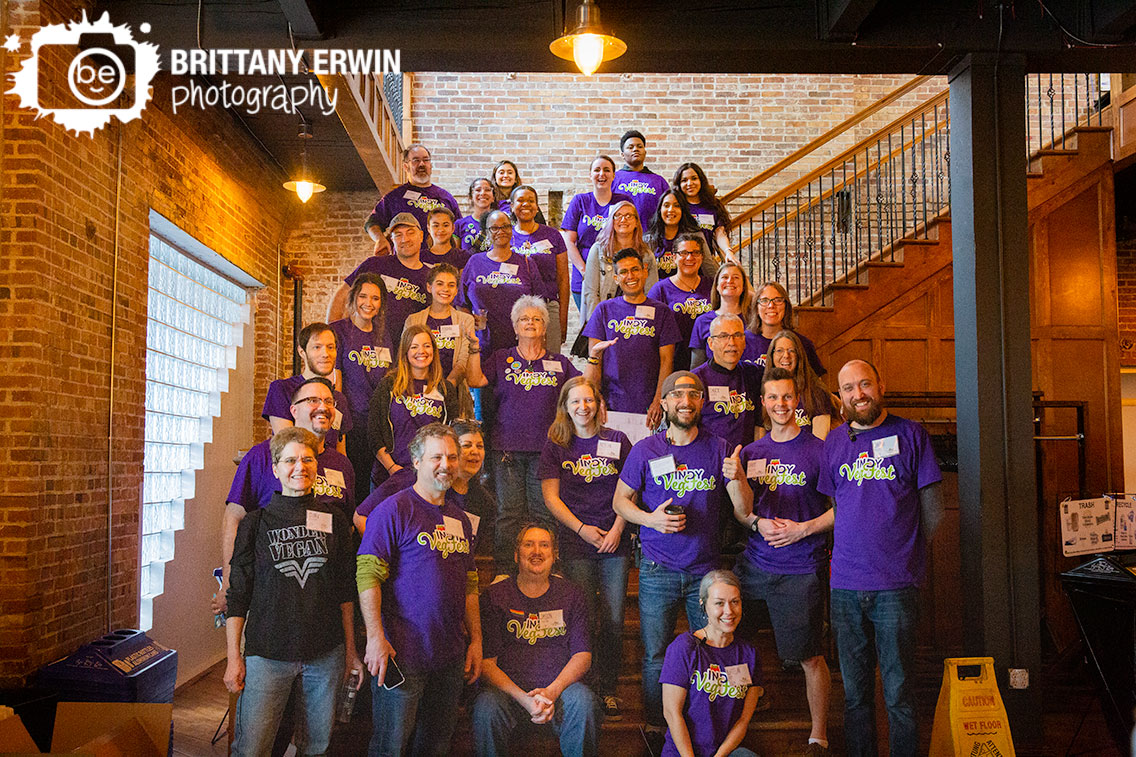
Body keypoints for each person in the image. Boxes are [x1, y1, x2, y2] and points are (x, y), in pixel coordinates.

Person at [818, 359, 944, 757]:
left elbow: (934, 513)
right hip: (845, 587)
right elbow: (836, 505)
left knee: (899, 692)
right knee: (855, 696)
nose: (859, 394)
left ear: (880, 385)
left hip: (896, 587)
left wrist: (905, 558)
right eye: (849, 388)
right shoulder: (835, 442)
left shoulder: (911, 434)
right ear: (841, 396)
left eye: (865, 384)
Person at [612, 371, 750, 733]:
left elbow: (742, 510)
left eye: (693, 394)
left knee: (708, 652)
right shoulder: (646, 449)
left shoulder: (719, 446)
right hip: (658, 569)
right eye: (678, 394)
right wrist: (651, 520)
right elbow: (620, 502)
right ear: (665, 402)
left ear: (702, 401)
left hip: (706, 572)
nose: (686, 401)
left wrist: (738, 479)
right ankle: (657, 731)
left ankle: (702, 728)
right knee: (657, 656)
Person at [224, 427, 361, 757]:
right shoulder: (255, 524)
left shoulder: (335, 520)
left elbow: (345, 590)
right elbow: (238, 594)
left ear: (317, 466)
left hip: (324, 654)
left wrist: (350, 650)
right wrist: (233, 657)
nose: (300, 467)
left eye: (308, 459)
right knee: (252, 748)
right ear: (275, 468)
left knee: (316, 746)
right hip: (267, 655)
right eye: (291, 460)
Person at [356, 423, 482, 756]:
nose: (447, 464)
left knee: (436, 745)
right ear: (416, 461)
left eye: (452, 457)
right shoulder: (393, 510)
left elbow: (470, 582)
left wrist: (477, 640)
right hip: (401, 654)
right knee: (390, 746)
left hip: (450, 655)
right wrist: (374, 638)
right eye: (436, 456)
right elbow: (367, 575)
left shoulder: (461, 519)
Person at [735, 366, 834, 756]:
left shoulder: (818, 449)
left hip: (801, 568)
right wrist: (756, 521)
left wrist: (802, 529)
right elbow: (743, 514)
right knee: (733, 644)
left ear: (798, 401)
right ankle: (735, 719)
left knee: (809, 655)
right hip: (755, 567)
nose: (780, 404)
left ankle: (818, 737)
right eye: (773, 397)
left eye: (787, 397)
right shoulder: (753, 453)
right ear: (763, 403)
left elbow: (841, 509)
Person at [215, 377, 355, 615]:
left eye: (328, 401)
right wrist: (230, 581)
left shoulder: (342, 465)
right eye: (313, 400)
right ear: (293, 410)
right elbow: (234, 517)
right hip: (268, 600)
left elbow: (347, 527)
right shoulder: (262, 456)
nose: (322, 406)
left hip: (322, 604)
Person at [539, 376, 632, 719]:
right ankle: (585, 688)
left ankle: (607, 688)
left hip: (614, 544)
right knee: (583, 619)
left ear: (598, 403)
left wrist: (617, 530)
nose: (583, 407)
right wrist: (581, 529)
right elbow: (550, 497)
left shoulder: (618, 440)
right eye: (575, 401)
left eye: (588, 400)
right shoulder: (556, 444)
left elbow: (632, 490)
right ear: (565, 407)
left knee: (612, 619)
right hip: (575, 543)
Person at [466, 296, 580, 574]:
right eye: (524, 319)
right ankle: (505, 572)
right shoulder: (501, 358)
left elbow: (581, 388)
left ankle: (548, 571)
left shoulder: (560, 363)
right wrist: (472, 348)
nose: (530, 323)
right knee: (508, 515)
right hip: (507, 450)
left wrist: (596, 359)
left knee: (544, 513)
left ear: (545, 327)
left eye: (537, 319)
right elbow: (474, 380)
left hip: (547, 452)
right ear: (515, 327)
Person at [473, 524, 599, 757]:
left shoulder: (572, 595)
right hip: (510, 697)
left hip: (559, 694)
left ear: (554, 555)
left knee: (584, 701)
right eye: (528, 544)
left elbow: (583, 655)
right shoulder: (495, 596)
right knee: (485, 707)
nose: (536, 551)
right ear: (516, 554)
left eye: (544, 545)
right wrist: (525, 700)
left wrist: (551, 692)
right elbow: (487, 663)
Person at [660, 570, 761, 757]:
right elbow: (672, 713)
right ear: (703, 604)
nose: (729, 611)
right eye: (719, 603)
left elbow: (743, 719)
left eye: (735, 602)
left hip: (723, 753)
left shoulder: (749, 654)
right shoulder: (684, 647)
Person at [355, 418, 493, 553]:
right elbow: (361, 517)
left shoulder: (483, 501)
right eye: (467, 445)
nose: (475, 451)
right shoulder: (412, 479)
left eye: (480, 446)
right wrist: (391, 558)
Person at [581, 249, 679, 428]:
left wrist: (658, 400)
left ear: (645, 271)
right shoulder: (603, 310)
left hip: (649, 405)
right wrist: (596, 397)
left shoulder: (662, 312)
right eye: (624, 272)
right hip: (611, 404)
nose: (630, 276)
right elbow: (594, 359)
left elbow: (667, 360)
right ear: (616, 278)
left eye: (635, 269)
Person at [368, 325, 461, 488]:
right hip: (391, 474)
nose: (421, 351)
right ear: (405, 351)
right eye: (414, 346)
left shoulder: (445, 389)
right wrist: (392, 468)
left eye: (426, 346)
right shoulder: (389, 385)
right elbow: (374, 432)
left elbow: (452, 434)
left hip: (432, 477)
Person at [331, 274, 393, 506]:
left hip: (377, 423)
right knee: (350, 486)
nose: (369, 303)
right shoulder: (338, 331)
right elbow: (335, 381)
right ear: (353, 298)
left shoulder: (384, 335)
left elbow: (388, 381)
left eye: (375, 298)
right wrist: (340, 426)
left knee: (375, 488)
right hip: (350, 423)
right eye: (363, 296)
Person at [329, 213, 431, 343]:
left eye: (410, 233)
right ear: (392, 239)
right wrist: (331, 336)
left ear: (421, 236)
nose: (405, 239)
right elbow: (342, 294)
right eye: (398, 235)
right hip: (373, 349)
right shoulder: (375, 264)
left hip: (411, 351)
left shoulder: (430, 276)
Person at [459, 209, 545, 357]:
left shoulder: (526, 263)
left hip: (519, 345)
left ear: (511, 229)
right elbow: (461, 303)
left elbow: (540, 305)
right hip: (482, 346)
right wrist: (469, 328)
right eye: (494, 228)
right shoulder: (474, 262)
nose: (501, 231)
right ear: (486, 232)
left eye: (505, 226)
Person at [261, 322, 352, 452]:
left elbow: (340, 452)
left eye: (330, 347)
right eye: (317, 347)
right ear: (302, 352)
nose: (325, 354)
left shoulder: (339, 399)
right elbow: (287, 445)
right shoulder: (282, 389)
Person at [560, 156, 633, 313]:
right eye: (597, 170)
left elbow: (631, 235)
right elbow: (569, 241)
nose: (602, 174)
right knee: (592, 325)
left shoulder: (623, 201)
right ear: (590, 174)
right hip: (584, 277)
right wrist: (585, 271)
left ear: (614, 175)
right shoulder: (579, 201)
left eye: (607, 170)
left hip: (617, 276)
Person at [364, 144, 460, 255]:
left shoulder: (446, 197)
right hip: (405, 265)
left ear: (430, 165)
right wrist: (380, 239)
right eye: (415, 160)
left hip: (440, 264)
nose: (422, 164)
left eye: (426, 160)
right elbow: (372, 222)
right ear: (406, 167)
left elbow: (458, 231)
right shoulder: (394, 197)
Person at [510, 185, 570, 349]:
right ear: (512, 206)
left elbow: (563, 279)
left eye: (531, 201)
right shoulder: (507, 237)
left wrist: (562, 317)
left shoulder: (553, 235)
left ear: (537, 207)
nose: (526, 204)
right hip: (515, 308)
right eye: (520, 200)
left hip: (548, 306)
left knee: (550, 360)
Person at [581, 200, 659, 323]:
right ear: (611, 221)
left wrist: (645, 324)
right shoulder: (598, 250)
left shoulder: (646, 255)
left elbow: (651, 293)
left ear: (636, 222)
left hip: (636, 319)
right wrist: (596, 324)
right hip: (605, 316)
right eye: (618, 216)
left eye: (629, 216)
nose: (623, 220)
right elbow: (591, 292)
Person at [692, 314, 761, 449]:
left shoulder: (754, 374)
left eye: (737, 335)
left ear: (744, 341)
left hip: (746, 460)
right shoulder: (697, 381)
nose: (732, 343)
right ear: (711, 343)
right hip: (710, 461)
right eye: (724, 336)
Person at [647, 233, 715, 371]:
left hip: (709, 365)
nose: (690, 258)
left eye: (695, 253)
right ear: (674, 257)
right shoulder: (660, 290)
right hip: (672, 363)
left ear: (702, 257)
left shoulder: (713, 286)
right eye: (683, 253)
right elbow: (650, 332)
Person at [405, 263, 481, 385]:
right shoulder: (413, 320)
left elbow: (462, 362)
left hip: (453, 391)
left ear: (456, 290)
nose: (446, 289)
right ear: (429, 287)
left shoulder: (466, 320)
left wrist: (447, 388)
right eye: (440, 284)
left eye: (451, 285)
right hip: (418, 391)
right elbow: (405, 357)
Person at [764, 330, 837, 440]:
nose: (786, 355)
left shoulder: (816, 392)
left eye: (791, 351)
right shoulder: (764, 390)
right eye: (779, 350)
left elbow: (819, 441)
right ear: (771, 355)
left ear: (799, 355)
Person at [690, 263, 761, 370]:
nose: (730, 281)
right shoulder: (702, 321)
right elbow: (696, 366)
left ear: (743, 287)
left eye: (736, 277)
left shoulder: (755, 319)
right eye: (724, 277)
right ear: (717, 286)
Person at [751, 281, 825, 376]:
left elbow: (817, 383)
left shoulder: (803, 343)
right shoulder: (743, 341)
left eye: (777, 300)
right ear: (756, 308)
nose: (771, 306)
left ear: (786, 306)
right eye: (764, 300)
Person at [672, 162, 734, 263]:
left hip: (705, 262)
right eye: (684, 180)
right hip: (682, 262)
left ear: (701, 180)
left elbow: (720, 233)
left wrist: (728, 251)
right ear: (679, 184)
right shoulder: (675, 206)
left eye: (694, 178)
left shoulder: (712, 205)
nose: (689, 183)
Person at [613, 129, 671, 226]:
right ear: (622, 155)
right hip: (620, 238)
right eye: (630, 147)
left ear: (645, 152)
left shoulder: (659, 181)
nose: (635, 149)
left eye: (639, 146)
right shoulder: (613, 179)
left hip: (651, 238)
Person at [645, 190, 704, 277]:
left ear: (683, 210)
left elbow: (708, 267)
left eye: (676, 206)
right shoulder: (648, 240)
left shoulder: (695, 236)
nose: (671, 210)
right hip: (658, 289)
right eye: (666, 205)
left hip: (688, 288)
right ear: (659, 210)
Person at [458, 178, 496, 252]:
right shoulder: (460, 224)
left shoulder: (501, 224)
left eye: (487, 190)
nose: (482, 193)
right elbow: (455, 255)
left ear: (493, 198)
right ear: (471, 197)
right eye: (478, 190)